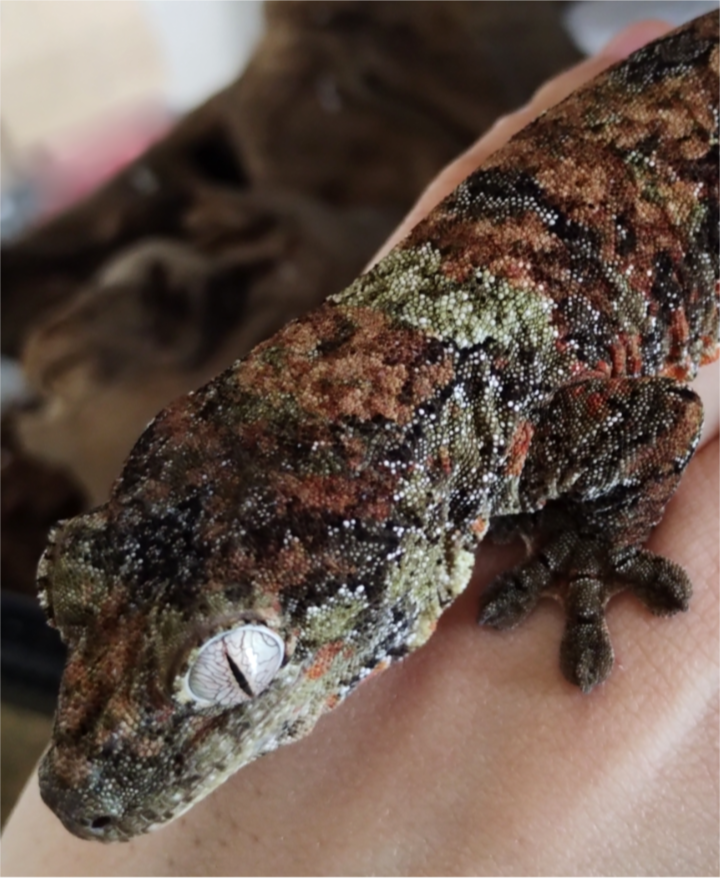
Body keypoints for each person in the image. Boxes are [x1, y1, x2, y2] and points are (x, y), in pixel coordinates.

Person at [2, 18, 719, 877]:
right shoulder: (426, 419)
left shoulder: (525, 437)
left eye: (239, 664)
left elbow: (659, 424)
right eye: (81, 587)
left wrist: (595, 537)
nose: (78, 773)